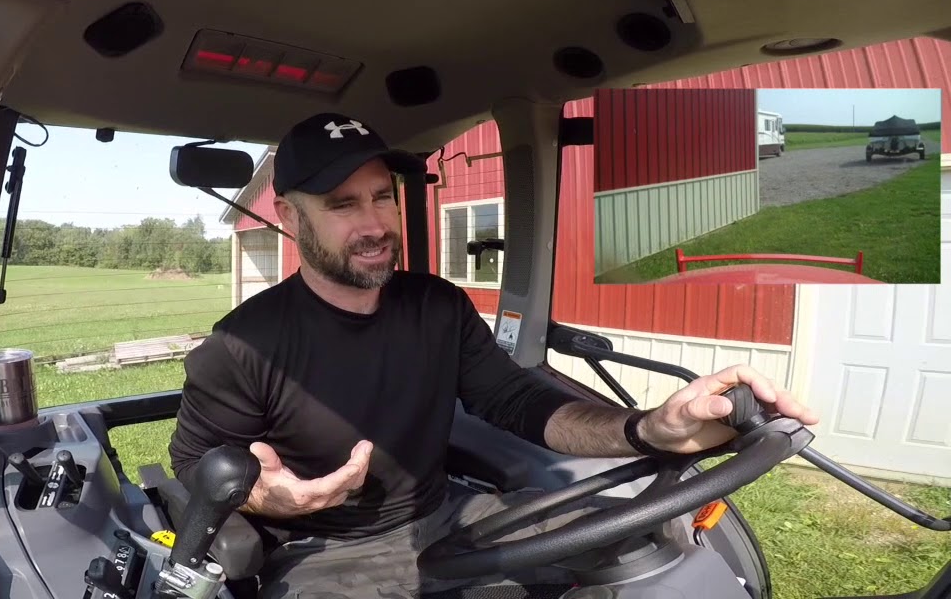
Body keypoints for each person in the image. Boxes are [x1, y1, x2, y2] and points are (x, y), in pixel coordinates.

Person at [167, 112, 820, 598]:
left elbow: (517, 401)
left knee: (631, 551)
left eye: (382, 197)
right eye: (342, 205)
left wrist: (649, 428)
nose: (374, 224)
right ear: (288, 212)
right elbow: (197, 465)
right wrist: (272, 498)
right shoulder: (241, 345)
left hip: (447, 514)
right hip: (325, 551)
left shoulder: (438, 307)